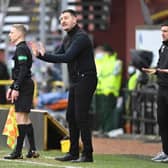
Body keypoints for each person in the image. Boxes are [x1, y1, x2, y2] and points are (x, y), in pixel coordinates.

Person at [31, 9, 97, 162]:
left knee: (81, 117)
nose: (63, 21)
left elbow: (66, 57)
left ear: (76, 19)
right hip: (76, 81)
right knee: (70, 117)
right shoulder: (68, 38)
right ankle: (73, 153)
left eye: (66, 18)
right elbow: (57, 53)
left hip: (86, 79)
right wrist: (41, 54)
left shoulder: (81, 38)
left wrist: (44, 55)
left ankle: (88, 154)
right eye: (61, 19)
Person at [4, 24, 39, 159]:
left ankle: (17, 152)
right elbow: (20, 71)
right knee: (25, 118)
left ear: (19, 34)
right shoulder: (21, 48)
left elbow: (23, 70)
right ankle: (33, 150)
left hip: (24, 86)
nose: (9, 35)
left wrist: (16, 87)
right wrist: (13, 86)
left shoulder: (21, 49)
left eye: (12, 32)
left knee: (20, 118)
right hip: (23, 85)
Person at [142, 21, 168, 162]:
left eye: (165, 31)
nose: (162, 34)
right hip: (162, 88)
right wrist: (154, 71)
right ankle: (165, 151)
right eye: (162, 31)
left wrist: (160, 71)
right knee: (162, 121)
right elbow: (160, 66)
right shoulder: (162, 48)